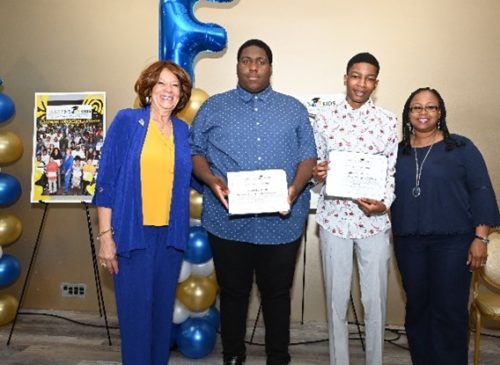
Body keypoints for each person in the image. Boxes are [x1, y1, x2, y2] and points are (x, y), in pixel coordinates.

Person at [189, 39, 317, 365]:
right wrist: (210, 179)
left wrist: (296, 187)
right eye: (246, 61)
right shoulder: (214, 107)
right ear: (238, 66)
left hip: (281, 222)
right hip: (228, 221)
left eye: (260, 61)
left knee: (277, 295)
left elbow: (308, 157)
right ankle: (233, 355)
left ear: (270, 67)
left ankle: (278, 357)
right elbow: (194, 151)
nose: (253, 67)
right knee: (233, 294)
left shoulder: (293, 109)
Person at [92, 60, 193, 365]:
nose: (168, 90)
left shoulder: (182, 130)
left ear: (181, 94)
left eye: (175, 85)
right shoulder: (127, 121)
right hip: (133, 237)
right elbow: (106, 182)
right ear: (148, 88)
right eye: (161, 83)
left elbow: (198, 176)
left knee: (162, 319)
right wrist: (106, 237)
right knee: (136, 321)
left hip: (169, 239)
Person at [391, 87, 500, 365]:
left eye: (431, 107)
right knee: (417, 309)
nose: (423, 113)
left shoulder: (461, 147)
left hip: (453, 243)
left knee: (449, 311)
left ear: (440, 113)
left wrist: (481, 238)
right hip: (408, 243)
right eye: (416, 107)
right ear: (408, 114)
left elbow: (482, 191)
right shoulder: (396, 153)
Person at [311, 52, 398, 365]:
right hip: (334, 220)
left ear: (376, 82)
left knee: (374, 300)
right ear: (345, 77)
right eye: (356, 76)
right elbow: (316, 169)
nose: (362, 83)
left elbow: (390, 172)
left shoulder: (388, 121)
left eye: (369, 77)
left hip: (374, 223)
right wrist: (316, 174)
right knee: (336, 301)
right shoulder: (324, 119)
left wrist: (383, 203)